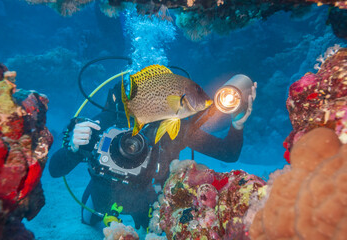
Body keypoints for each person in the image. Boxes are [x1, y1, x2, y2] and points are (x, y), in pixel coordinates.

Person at [49, 80, 257, 229]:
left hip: (149, 203)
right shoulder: (104, 124)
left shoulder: (172, 129)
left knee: (158, 230)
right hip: (102, 197)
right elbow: (55, 170)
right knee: (87, 219)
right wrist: (73, 150)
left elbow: (228, 154)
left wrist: (237, 124)